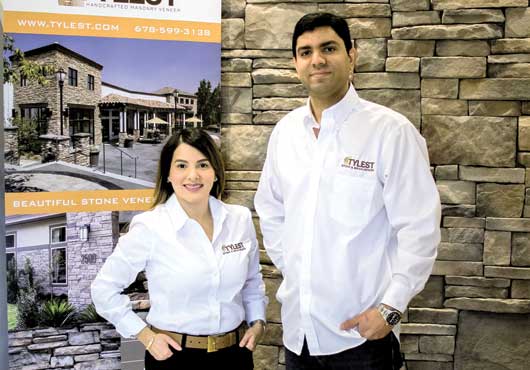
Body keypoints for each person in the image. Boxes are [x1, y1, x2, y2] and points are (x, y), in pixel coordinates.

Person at [254, 12, 441, 370]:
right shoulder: (285, 133)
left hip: (362, 339)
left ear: (352, 54)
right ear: (295, 63)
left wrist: (391, 308)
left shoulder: (390, 132)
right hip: (300, 334)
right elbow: (272, 211)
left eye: (328, 48)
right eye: (305, 51)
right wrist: (296, 266)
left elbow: (419, 228)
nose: (317, 60)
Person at [91, 128, 267, 369]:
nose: (193, 175)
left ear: (215, 172)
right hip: (175, 359)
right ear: (168, 175)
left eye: (203, 165)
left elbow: (251, 281)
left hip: (235, 356)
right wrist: (146, 336)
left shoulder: (240, 219)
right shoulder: (150, 227)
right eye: (182, 166)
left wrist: (258, 321)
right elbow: (103, 290)